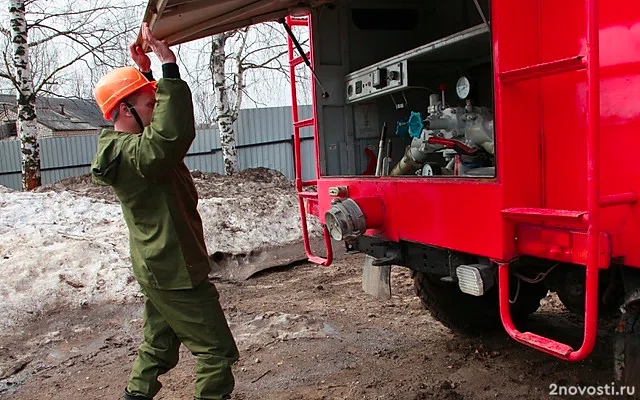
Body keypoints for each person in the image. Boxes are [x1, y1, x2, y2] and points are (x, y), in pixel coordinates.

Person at [90, 23, 239, 400]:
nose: (155, 110)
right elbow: (169, 137)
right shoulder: (134, 155)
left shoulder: (130, 147)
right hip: (174, 270)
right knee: (216, 352)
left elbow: (155, 131)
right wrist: (168, 68)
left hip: (161, 266)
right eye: (148, 104)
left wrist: (145, 76)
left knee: (159, 344)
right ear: (124, 110)